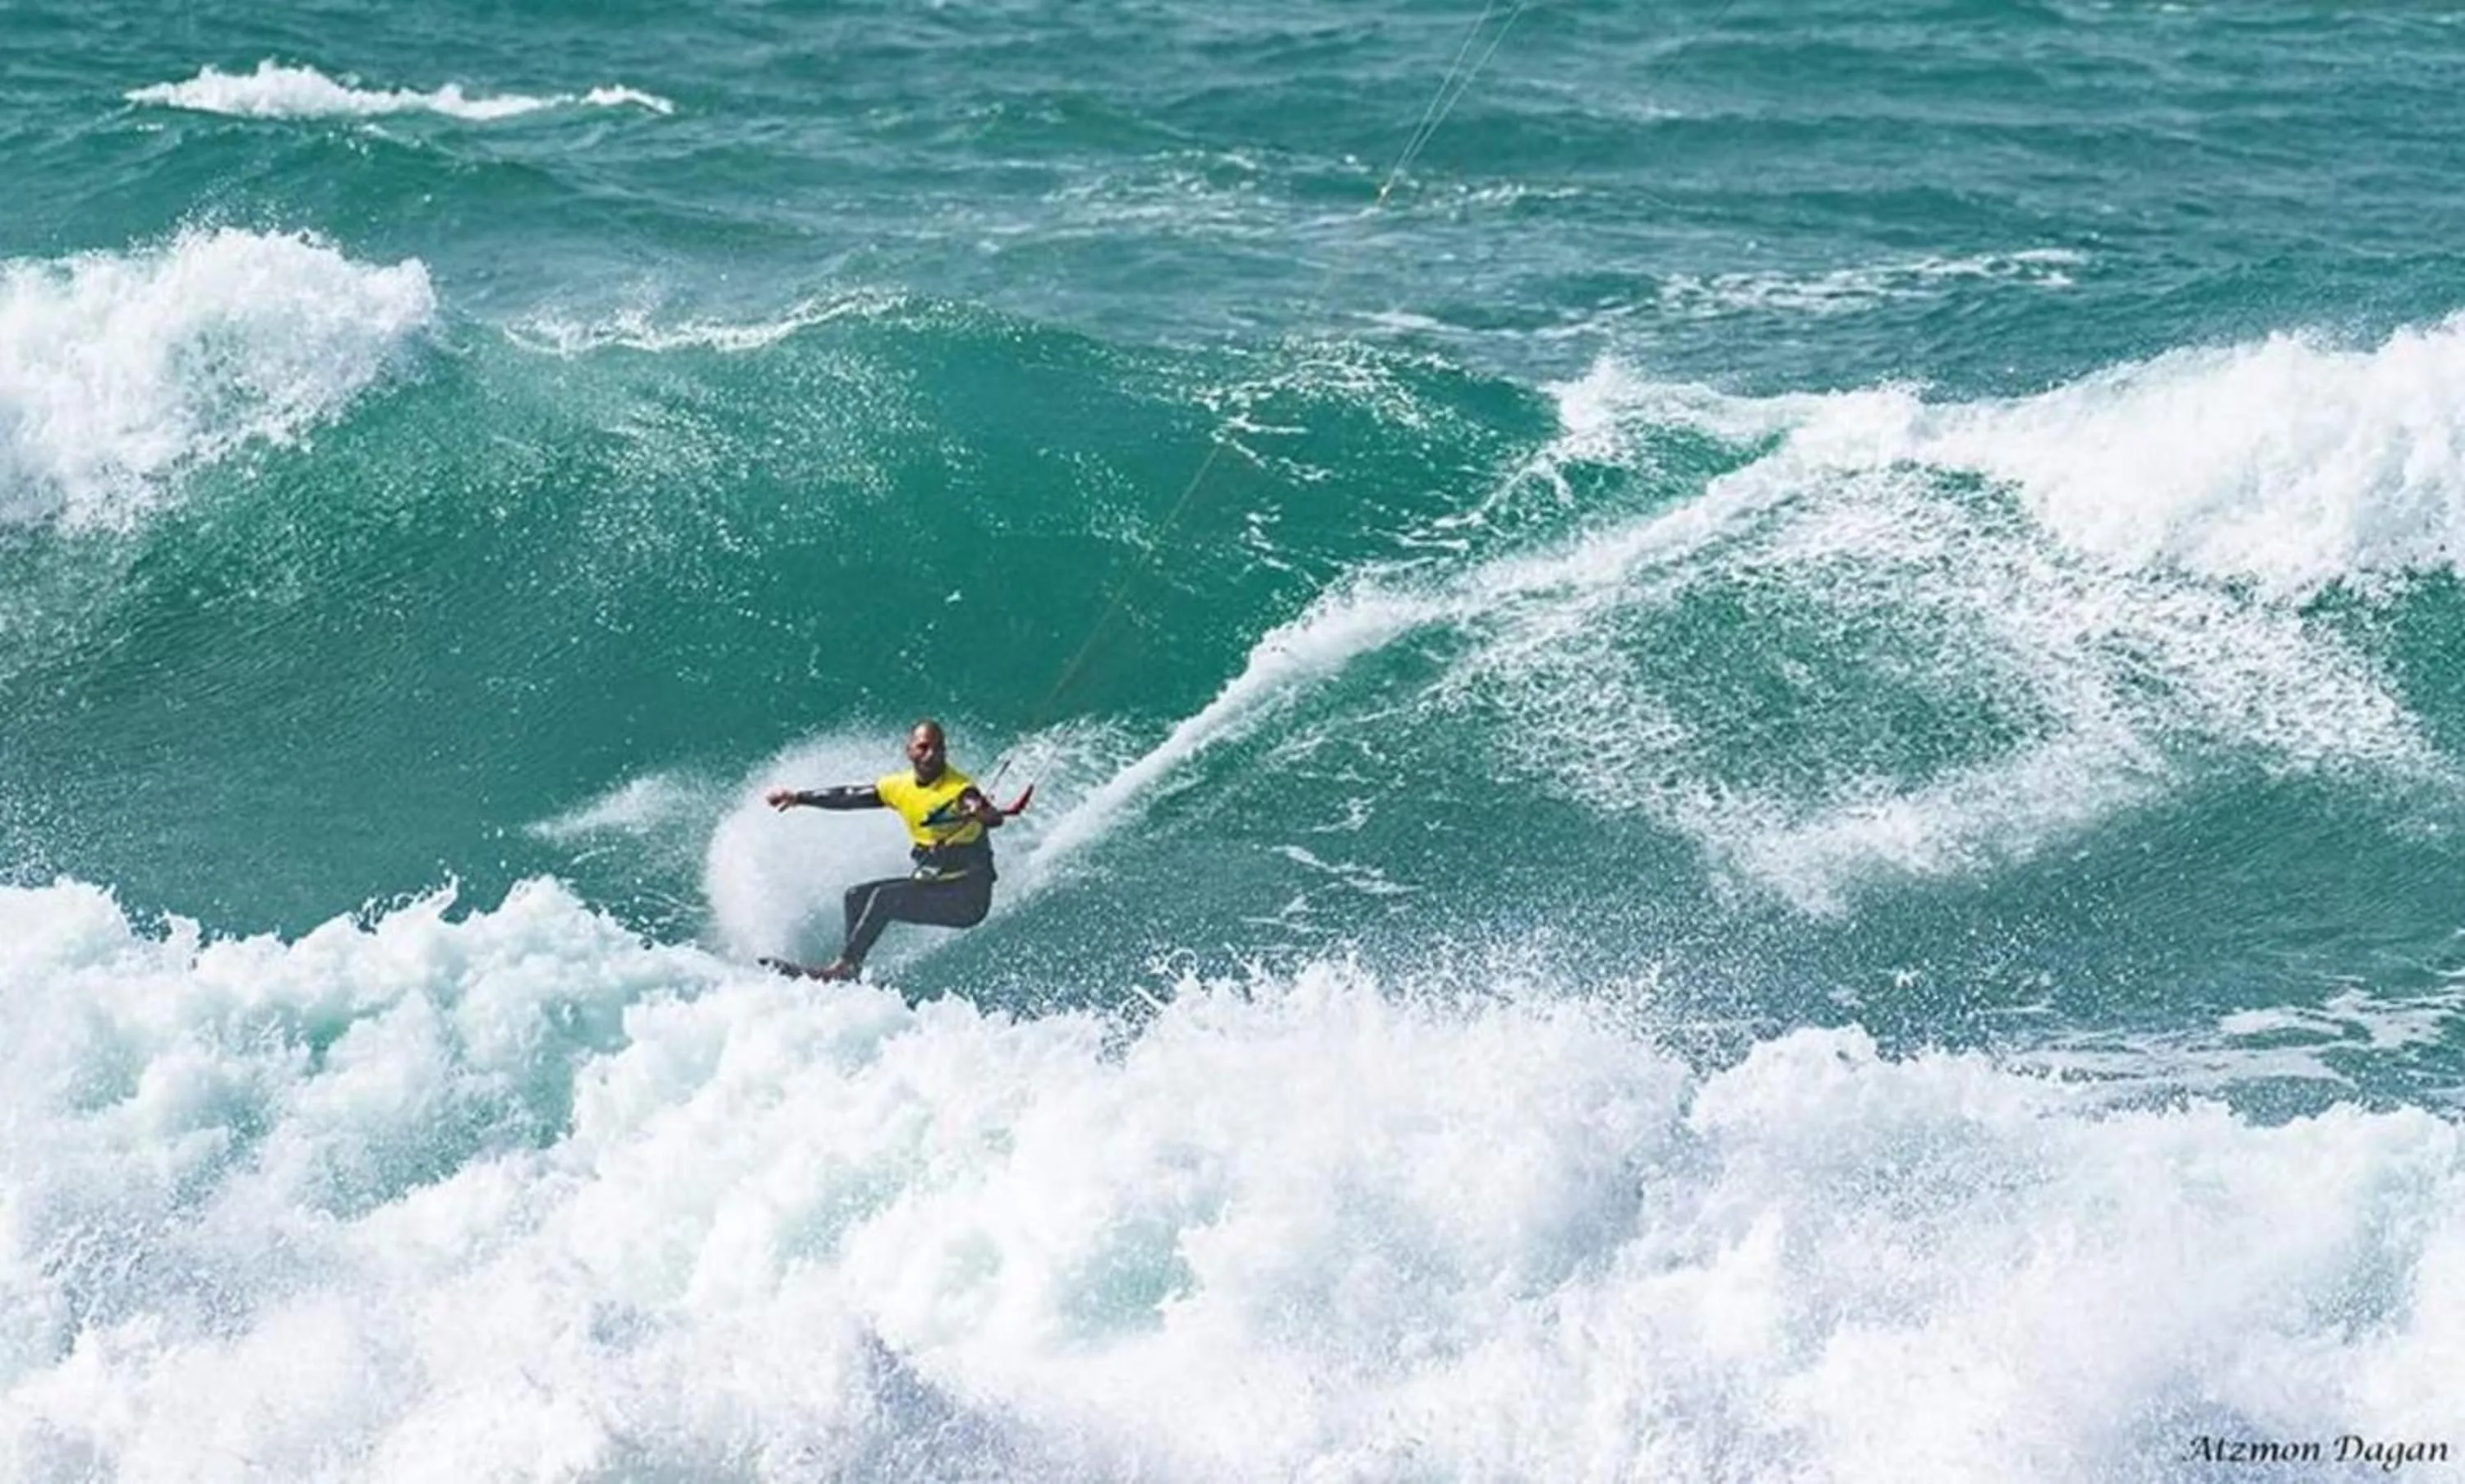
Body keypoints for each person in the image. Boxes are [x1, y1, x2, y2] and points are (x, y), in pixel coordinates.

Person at [763, 719, 1012, 981]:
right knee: (855, 896)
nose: (931, 755)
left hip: (968, 898)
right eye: (923, 747)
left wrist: (982, 812)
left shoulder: (959, 789)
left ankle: (844, 967)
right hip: (938, 884)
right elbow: (850, 795)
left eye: (939, 748)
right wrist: (799, 798)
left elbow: (985, 812)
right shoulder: (900, 786)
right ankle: (851, 971)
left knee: (885, 898)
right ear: (909, 750)